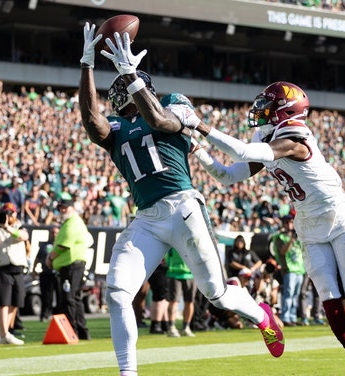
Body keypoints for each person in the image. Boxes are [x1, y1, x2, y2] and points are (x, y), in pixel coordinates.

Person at [79, 25, 284, 375]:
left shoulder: (172, 103)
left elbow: (160, 120)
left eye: (125, 82)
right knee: (116, 293)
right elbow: (91, 123)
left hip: (183, 206)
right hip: (147, 217)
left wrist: (129, 75)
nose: (119, 90)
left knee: (216, 294)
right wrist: (86, 66)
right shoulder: (115, 126)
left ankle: (261, 313)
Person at [189, 81, 345, 375]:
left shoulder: (294, 137)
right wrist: (197, 149)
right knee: (331, 304)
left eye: (268, 105)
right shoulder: (268, 134)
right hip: (308, 226)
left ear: (285, 111)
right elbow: (226, 176)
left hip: (337, 218)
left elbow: (243, 153)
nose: (261, 110)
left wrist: (200, 125)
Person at [45, 198, 94, 340]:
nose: (62, 210)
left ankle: (72, 330)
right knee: (75, 298)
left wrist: (50, 258)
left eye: (65, 208)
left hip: (71, 265)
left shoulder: (72, 223)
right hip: (73, 265)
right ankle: (82, 330)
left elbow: (63, 246)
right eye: (60, 208)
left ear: (72, 208)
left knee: (69, 298)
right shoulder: (70, 222)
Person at [0, 202, 29, 345]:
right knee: (3, 302)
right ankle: (4, 333)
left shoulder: (18, 227)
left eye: (11, 213)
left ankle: (4, 332)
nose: (8, 216)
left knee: (16, 301)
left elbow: (23, 236)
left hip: (17, 267)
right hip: (1, 267)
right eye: (6, 213)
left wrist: (7, 227)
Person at [270, 215, 305, 327]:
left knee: (295, 294)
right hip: (289, 269)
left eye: (291, 222)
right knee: (288, 294)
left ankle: (293, 317)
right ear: (284, 224)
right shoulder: (280, 237)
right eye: (287, 222)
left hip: (299, 269)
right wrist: (291, 240)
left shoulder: (297, 236)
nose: (290, 224)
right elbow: (283, 251)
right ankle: (285, 317)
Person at [164, 248, 197, 338]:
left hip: (190, 274)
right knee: (173, 302)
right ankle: (171, 328)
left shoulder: (191, 238)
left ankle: (186, 328)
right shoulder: (172, 236)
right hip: (174, 273)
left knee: (189, 302)